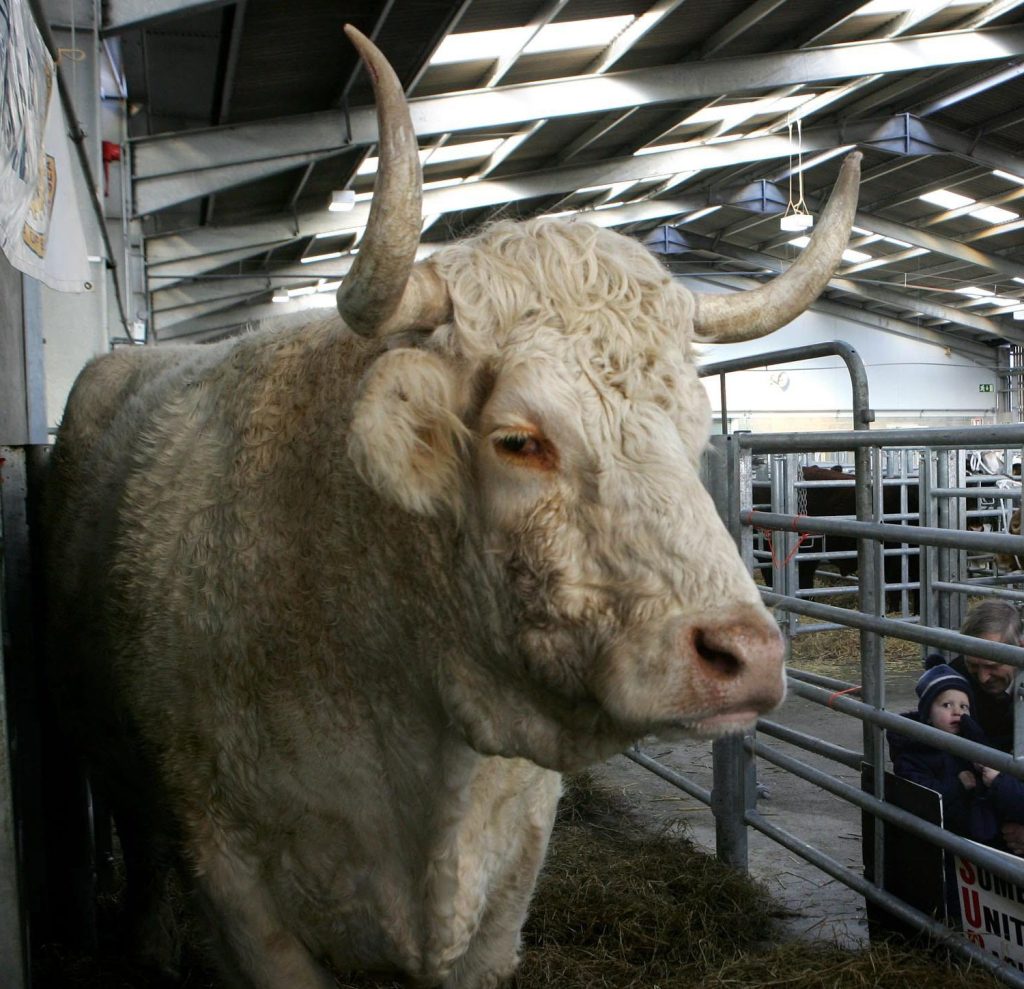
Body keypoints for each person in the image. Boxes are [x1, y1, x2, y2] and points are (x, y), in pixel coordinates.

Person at [887, 661, 999, 844]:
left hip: (975, 838)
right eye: (947, 705)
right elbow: (920, 797)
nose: (957, 712)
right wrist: (958, 785)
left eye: (964, 707)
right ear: (928, 715)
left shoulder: (970, 745)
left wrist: (979, 744)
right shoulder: (913, 751)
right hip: (935, 841)